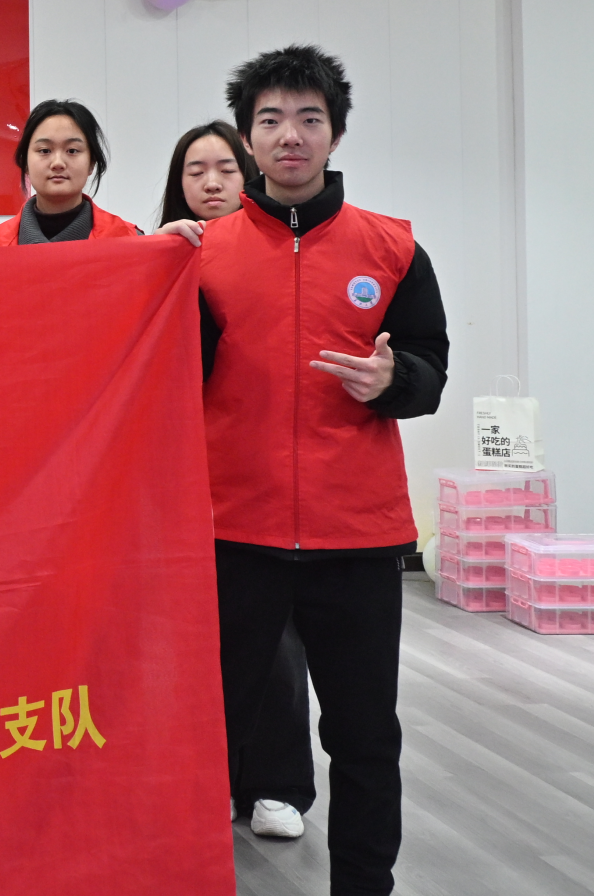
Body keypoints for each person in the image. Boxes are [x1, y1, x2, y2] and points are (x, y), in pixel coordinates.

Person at [198, 46, 448, 895]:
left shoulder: (394, 248)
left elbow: (430, 369)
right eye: (270, 119)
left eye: (309, 118)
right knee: (211, 734)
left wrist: (395, 379)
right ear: (247, 138)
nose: (290, 135)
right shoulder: (205, 254)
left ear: (335, 133)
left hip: (358, 537)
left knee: (364, 734)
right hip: (235, 531)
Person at [159, 122, 316, 840]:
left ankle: (277, 782)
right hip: (174, 475)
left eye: (225, 166)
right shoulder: (160, 253)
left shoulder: (285, 250)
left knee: (276, 637)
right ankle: (211, 775)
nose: (211, 181)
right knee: (196, 637)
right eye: (195, 170)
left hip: (260, 476)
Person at [0, 99, 141, 247]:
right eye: (44, 150)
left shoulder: (131, 243)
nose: (58, 163)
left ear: (92, 163)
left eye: (72, 150)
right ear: (25, 162)